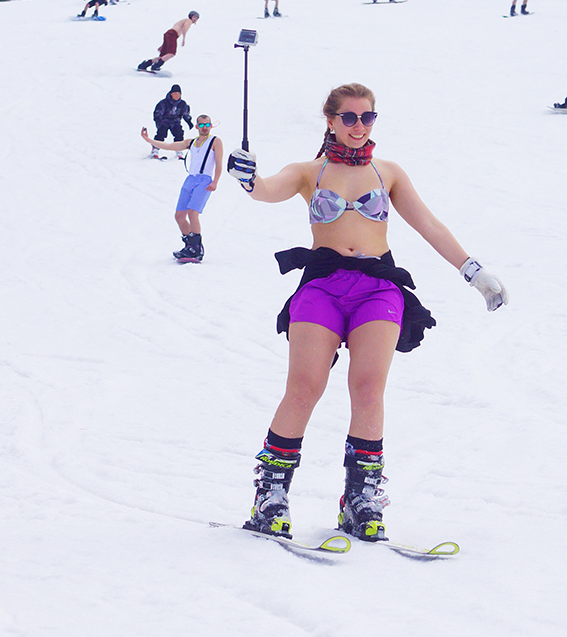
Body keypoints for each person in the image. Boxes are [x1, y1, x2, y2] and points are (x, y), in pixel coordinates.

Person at [225, 83, 508, 542]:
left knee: (368, 387)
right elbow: (266, 190)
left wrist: (474, 272)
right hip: (322, 285)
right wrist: (247, 177)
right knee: (305, 387)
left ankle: (361, 498)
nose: (360, 126)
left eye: (368, 117)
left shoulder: (388, 172)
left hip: (378, 286)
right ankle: (270, 494)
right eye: (351, 118)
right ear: (331, 121)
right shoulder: (307, 172)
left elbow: (429, 224)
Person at [140, 115, 223, 262]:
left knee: (193, 213)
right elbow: (170, 146)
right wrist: (149, 140)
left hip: (204, 180)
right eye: (202, 125)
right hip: (190, 180)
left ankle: (197, 249)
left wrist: (215, 181)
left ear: (211, 126)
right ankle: (189, 246)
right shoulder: (191, 142)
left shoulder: (215, 141)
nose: (205, 128)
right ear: (197, 126)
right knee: (179, 216)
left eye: (207, 125)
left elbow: (219, 162)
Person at [150, 84, 194, 160]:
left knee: (179, 133)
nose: (177, 96)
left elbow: (185, 113)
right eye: (175, 94)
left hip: (175, 121)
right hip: (164, 121)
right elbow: (157, 113)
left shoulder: (182, 104)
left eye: (178, 94)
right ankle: (155, 149)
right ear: (171, 94)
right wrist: (159, 121)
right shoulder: (164, 103)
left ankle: (179, 150)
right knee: (161, 133)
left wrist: (189, 121)